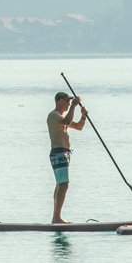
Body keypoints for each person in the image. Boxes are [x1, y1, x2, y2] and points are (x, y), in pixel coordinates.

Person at [47, 90, 89, 223]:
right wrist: (74, 106)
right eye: (67, 101)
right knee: (63, 184)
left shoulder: (63, 116)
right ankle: (57, 217)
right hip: (58, 152)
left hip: (64, 153)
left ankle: (56, 217)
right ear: (60, 101)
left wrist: (83, 116)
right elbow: (66, 120)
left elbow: (78, 127)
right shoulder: (54, 115)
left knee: (61, 184)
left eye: (70, 102)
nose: (69, 103)